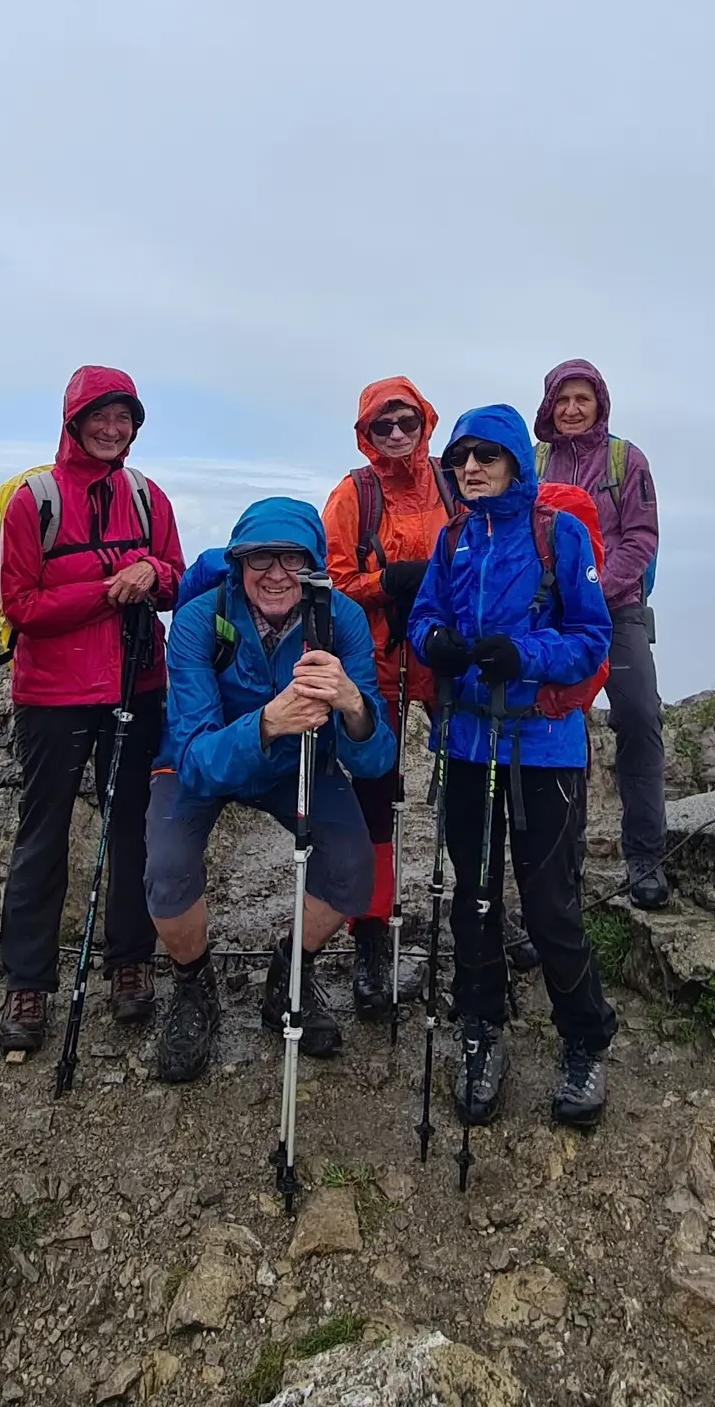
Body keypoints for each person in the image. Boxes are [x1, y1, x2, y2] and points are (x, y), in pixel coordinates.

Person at [408, 404, 616, 1129]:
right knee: (476, 896)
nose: (470, 469)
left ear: (514, 466)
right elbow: (423, 615)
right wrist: (432, 639)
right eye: (461, 459)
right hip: (467, 744)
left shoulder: (559, 534)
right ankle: (480, 1027)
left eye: (485, 458)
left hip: (543, 745)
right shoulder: (455, 536)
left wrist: (523, 655)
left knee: (551, 903)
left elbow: (592, 635)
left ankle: (586, 1038)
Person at [145, 498, 395, 1084]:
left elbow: (376, 755)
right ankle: (193, 987)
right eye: (261, 558)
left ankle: (290, 973)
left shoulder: (342, 621)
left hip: (300, 763)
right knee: (167, 869)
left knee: (353, 867)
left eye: (291, 557)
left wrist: (352, 705)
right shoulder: (200, 620)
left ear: (312, 563)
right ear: (238, 563)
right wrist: (266, 724)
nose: (276, 572)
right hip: (205, 760)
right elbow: (195, 759)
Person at [0, 367, 184, 1055]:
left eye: (124, 419)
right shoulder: (34, 500)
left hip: (138, 684)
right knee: (41, 836)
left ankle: (129, 962)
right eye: (100, 418)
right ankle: (28, 982)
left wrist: (152, 575)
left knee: (133, 827)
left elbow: (176, 577)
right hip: (52, 693)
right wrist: (109, 589)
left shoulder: (146, 495)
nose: (113, 430)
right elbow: (20, 607)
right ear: (74, 420)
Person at [319, 377, 457, 1017]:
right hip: (377, 662)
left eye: (405, 422)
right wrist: (386, 584)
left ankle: (478, 911)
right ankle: (371, 935)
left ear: (425, 421)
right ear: (366, 433)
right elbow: (330, 583)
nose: (397, 434)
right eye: (383, 426)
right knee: (376, 796)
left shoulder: (456, 483)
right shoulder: (354, 494)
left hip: (447, 656)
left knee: (466, 785)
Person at [533, 360, 668, 908]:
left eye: (581, 399)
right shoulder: (534, 462)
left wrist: (589, 589)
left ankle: (645, 859)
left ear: (599, 403)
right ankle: (568, 865)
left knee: (638, 719)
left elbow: (640, 539)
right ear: (548, 404)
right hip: (554, 619)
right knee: (564, 730)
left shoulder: (625, 460)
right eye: (562, 399)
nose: (571, 409)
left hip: (617, 612)